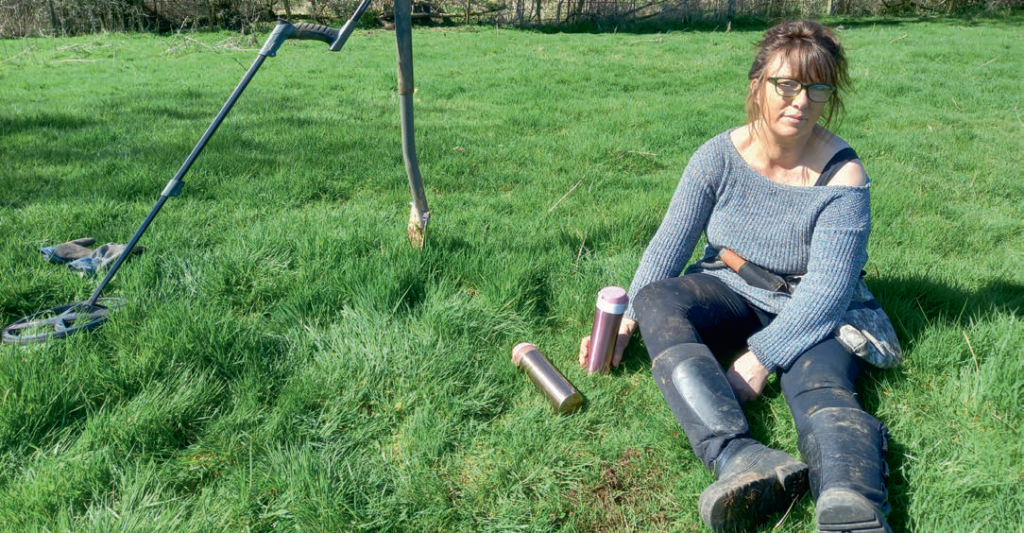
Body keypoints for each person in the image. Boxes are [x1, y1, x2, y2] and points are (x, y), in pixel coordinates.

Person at [579, 20, 893, 533]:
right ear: (756, 86)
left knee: (819, 385)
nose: (801, 101)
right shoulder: (716, 158)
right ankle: (740, 459)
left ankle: (851, 501)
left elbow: (830, 290)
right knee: (660, 299)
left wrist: (761, 357)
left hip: (814, 305)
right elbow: (670, 245)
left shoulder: (844, 176)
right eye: (786, 84)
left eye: (818, 88)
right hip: (733, 286)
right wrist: (628, 319)